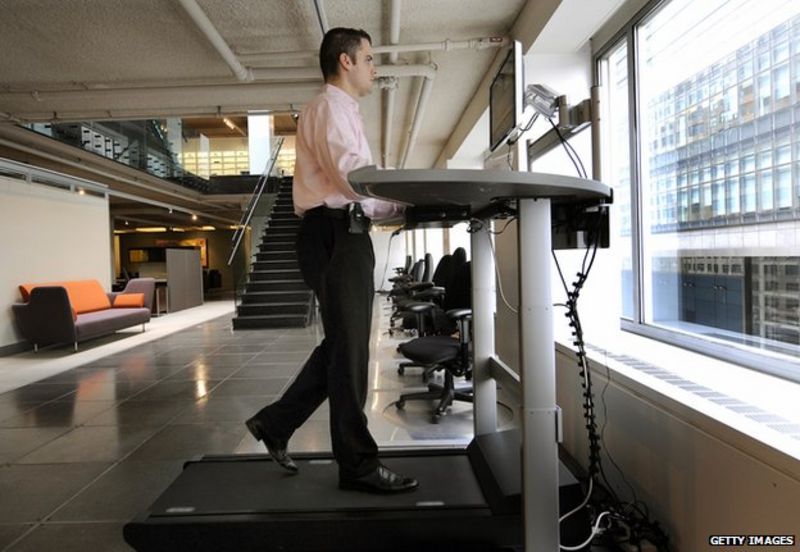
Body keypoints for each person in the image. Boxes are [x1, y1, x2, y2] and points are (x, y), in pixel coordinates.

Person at [246, 27, 418, 494]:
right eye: (368, 58)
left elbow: (353, 182)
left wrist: (393, 207)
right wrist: (403, 204)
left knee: (342, 347)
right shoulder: (329, 108)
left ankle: (276, 424)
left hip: (337, 231)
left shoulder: (338, 111)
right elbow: (353, 180)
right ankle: (358, 465)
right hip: (337, 232)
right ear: (345, 61)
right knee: (350, 352)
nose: (373, 67)